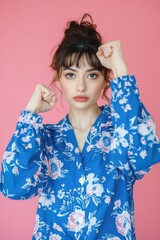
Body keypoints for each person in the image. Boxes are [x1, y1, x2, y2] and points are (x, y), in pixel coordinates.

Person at [0, 13, 160, 240]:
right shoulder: (45, 139)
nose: (81, 86)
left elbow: (142, 158)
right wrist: (30, 115)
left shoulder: (121, 129)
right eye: (71, 75)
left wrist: (121, 70)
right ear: (58, 79)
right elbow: (13, 188)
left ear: (106, 79)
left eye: (92, 75)